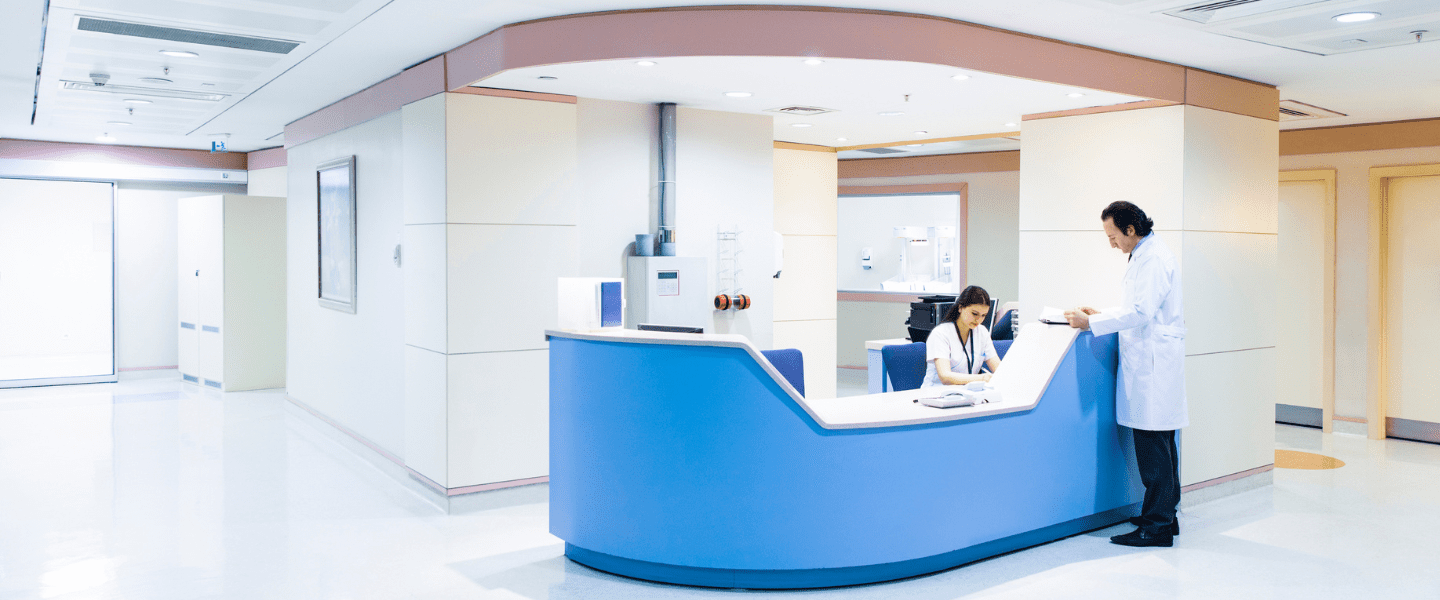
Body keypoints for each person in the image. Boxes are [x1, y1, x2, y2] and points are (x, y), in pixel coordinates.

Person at [1064, 201, 1186, 549]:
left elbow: (1141, 311)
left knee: (1154, 451)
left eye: (1113, 236)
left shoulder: (1152, 258)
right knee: (1160, 445)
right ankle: (1165, 516)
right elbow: (1141, 307)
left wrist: (1093, 322)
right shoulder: (1147, 253)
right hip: (1153, 359)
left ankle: (1157, 526)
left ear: (1131, 230)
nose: (1112, 244)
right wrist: (1103, 315)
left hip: (1153, 365)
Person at [922, 285, 1001, 388]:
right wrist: (981, 378)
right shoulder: (941, 333)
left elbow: (999, 369)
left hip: (966, 394)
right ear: (960, 308)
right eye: (974, 313)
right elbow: (945, 377)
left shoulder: (982, 332)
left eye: (983, 315)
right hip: (936, 394)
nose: (979, 320)